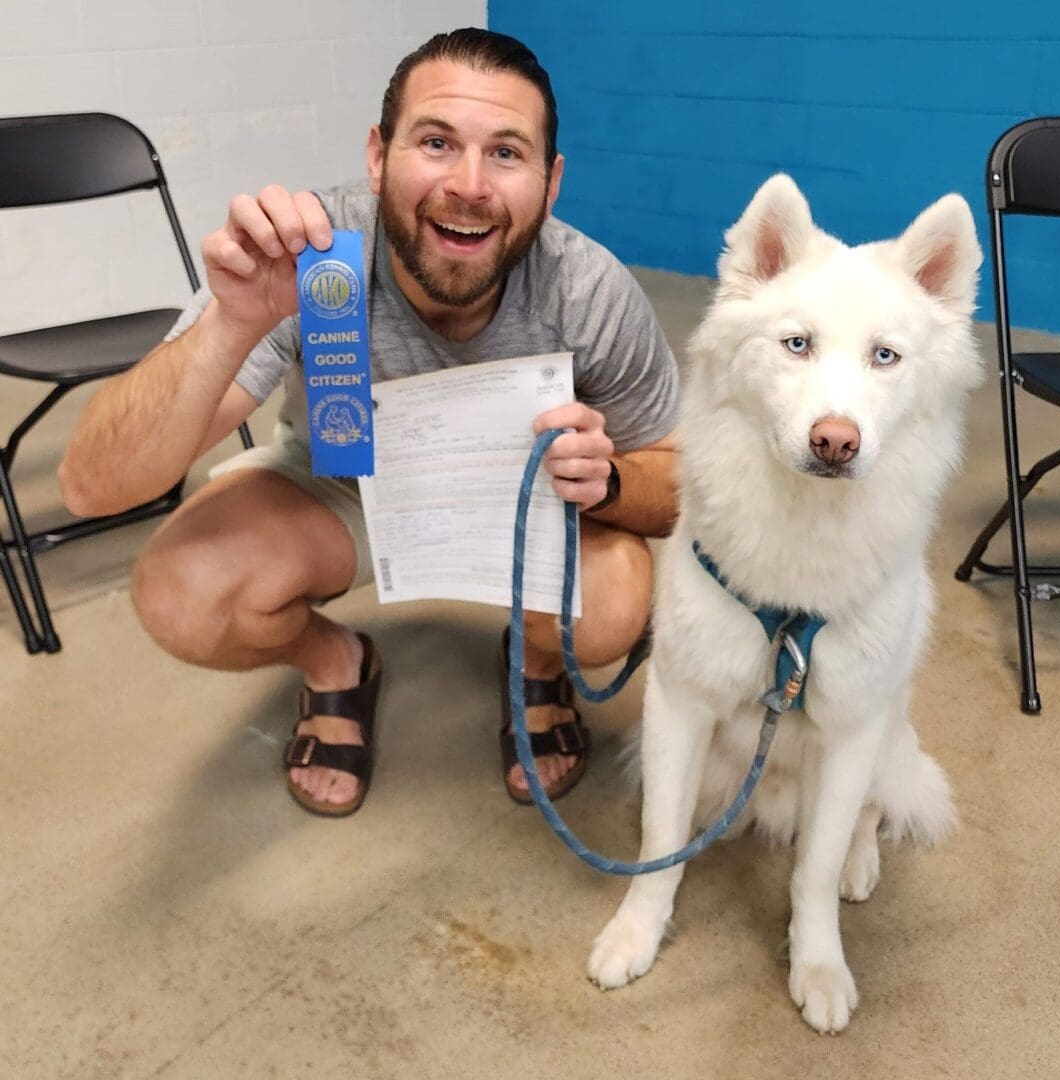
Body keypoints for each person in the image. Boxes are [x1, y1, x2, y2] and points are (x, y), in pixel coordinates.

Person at [59, 28, 680, 817]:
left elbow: (680, 482)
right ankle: (336, 663)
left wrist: (612, 479)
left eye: (507, 153)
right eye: (435, 141)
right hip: (343, 491)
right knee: (182, 591)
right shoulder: (310, 254)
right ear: (378, 156)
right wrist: (231, 323)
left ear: (551, 184)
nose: (469, 185)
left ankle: (538, 659)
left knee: (616, 603)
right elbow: (88, 486)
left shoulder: (588, 289)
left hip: (521, 504)